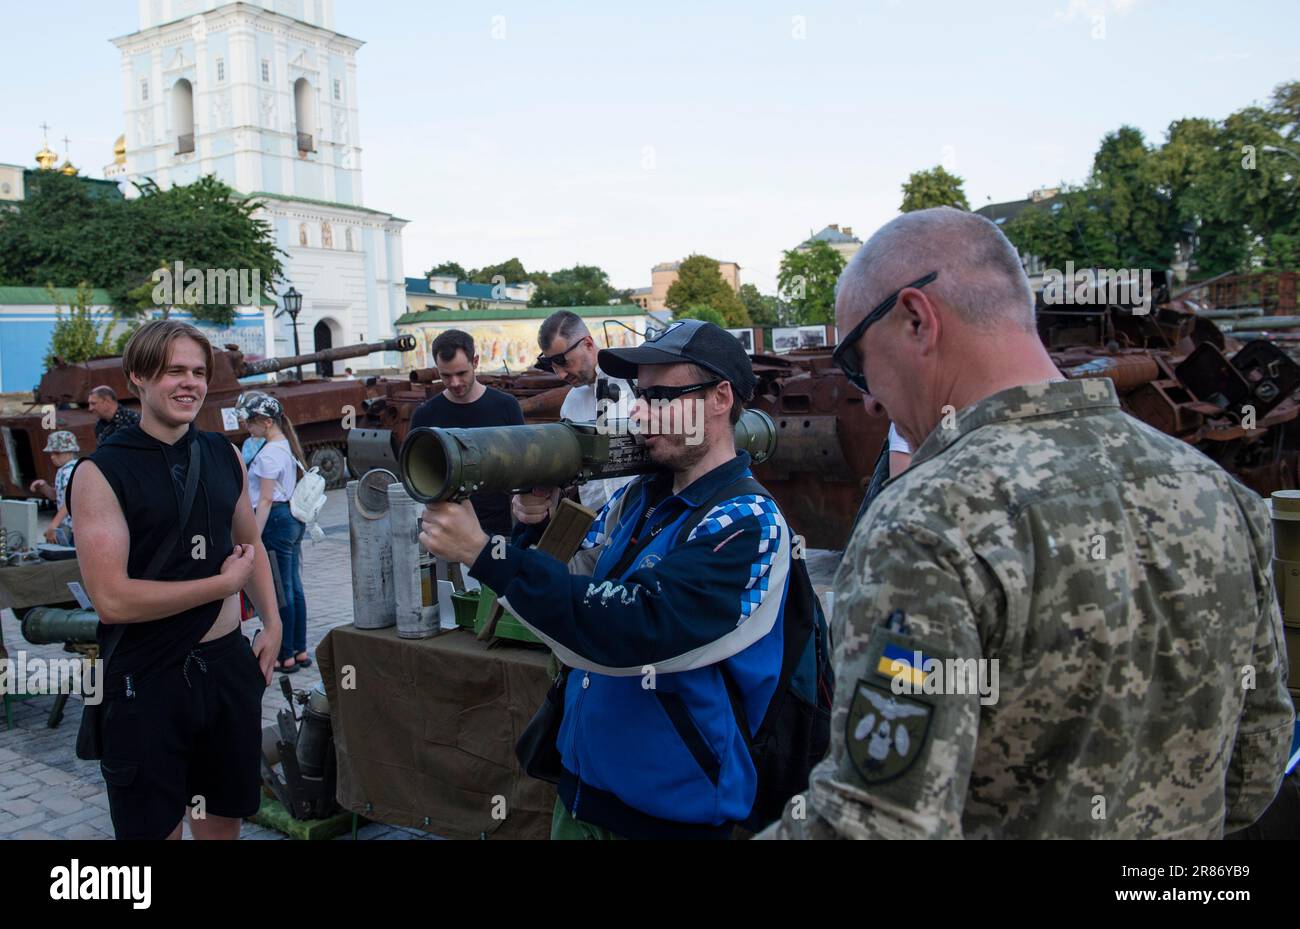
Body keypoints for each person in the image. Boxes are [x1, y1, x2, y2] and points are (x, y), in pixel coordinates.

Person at [763, 206, 1295, 839]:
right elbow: (1257, 765)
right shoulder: (1220, 493)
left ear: (915, 319)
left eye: (856, 363)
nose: (870, 396)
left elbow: (874, 827)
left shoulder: (923, 525)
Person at [418, 319, 797, 839]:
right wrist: (533, 528)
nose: (640, 412)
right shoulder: (638, 499)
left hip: (673, 816)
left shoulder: (749, 522)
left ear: (720, 397)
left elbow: (635, 629)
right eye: (641, 395)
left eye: (663, 395)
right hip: (582, 793)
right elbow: (573, 584)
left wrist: (484, 554)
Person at [68, 320, 282, 840]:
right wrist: (219, 586)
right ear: (139, 376)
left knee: (222, 819)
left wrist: (273, 625)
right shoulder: (100, 472)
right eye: (174, 371)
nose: (190, 383)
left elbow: (251, 547)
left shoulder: (222, 453)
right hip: (147, 677)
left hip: (227, 665)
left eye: (198, 372)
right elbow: (112, 598)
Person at [409, 329, 524, 539]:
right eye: (446, 375)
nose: (454, 383)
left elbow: (522, 469)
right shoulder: (425, 415)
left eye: (461, 373)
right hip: (447, 532)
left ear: (475, 362)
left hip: (498, 532)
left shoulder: (506, 406)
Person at [236, 391, 309, 674]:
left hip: (275, 520)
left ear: (266, 422)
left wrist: (253, 536)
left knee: (282, 590)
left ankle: (285, 655)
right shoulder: (285, 446)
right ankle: (299, 650)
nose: (247, 429)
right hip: (291, 518)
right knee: (294, 586)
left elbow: (264, 500)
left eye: (249, 423)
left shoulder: (268, 455)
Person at [537, 310, 635, 511]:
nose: (561, 374)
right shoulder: (571, 403)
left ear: (588, 344)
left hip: (642, 516)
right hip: (595, 525)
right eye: (552, 365)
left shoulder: (636, 382)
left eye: (564, 362)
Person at [40, 431, 79, 545]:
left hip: (73, 527)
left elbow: (69, 501)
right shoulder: (63, 469)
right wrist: (43, 486)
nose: (52, 457)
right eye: (51, 453)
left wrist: (54, 525)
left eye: (56, 453)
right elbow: (56, 496)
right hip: (67, 524)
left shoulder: (69, 471)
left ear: (70, 452)